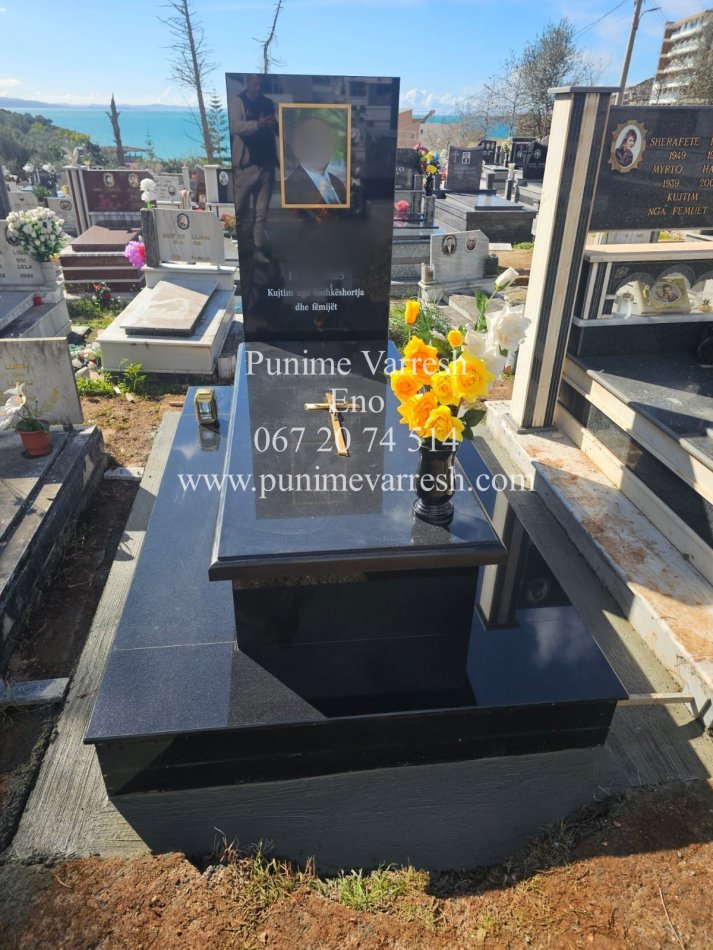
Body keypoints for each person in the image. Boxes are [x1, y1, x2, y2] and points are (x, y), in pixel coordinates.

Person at [230, 74, 278, 259]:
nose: (258, 88)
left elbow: (277, 130)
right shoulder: (239, 102)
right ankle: (240, 247)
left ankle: (258, 248)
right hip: (246, 166)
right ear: (248, 82)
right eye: (255, 84)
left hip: (266, 166)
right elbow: (235, 127)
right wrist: (257, 125)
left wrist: (277, 124)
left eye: (261, 84)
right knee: (240, 211)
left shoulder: (268, 103)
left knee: (261, 212)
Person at [283, 114, 347, 206]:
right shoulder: (290, 188)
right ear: (298, 147)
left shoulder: (337, 182)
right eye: (313, 139)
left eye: (325, 139)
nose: (320, 145)